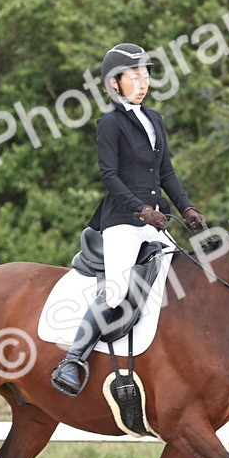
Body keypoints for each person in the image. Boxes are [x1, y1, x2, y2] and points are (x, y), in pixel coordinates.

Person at [51, 42, 208, 397]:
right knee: (117, 291)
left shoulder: (155, 120)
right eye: (134, 76)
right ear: (114, 83)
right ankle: (73, 359)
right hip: (123, 222)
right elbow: (109, 175)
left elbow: (166, 172)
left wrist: (186, 208)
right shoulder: (109, 123)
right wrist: (141, 209)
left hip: (155, 222)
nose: (142, 81)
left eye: (146, 74)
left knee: (184, 278)